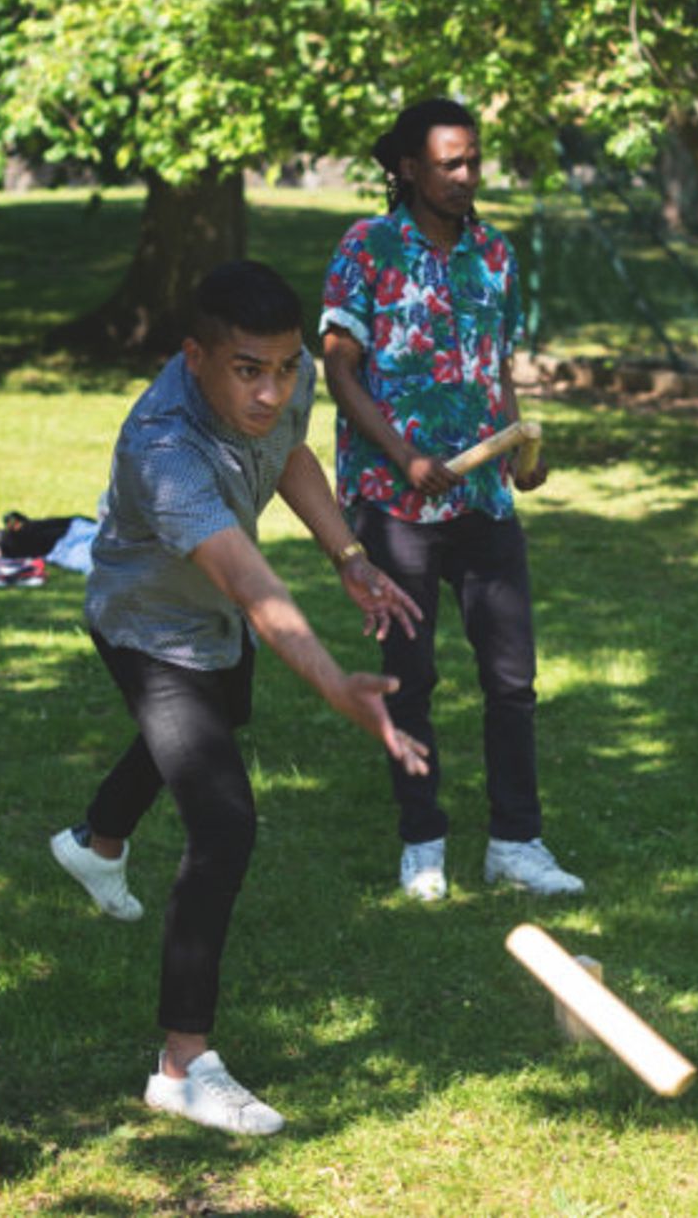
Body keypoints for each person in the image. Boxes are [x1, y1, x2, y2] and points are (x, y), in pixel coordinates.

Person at [47, 260, 427, 1136]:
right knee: (221, 819)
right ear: (196, 356)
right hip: (148, 628)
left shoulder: (278, 382)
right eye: (247, 370)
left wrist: (349, 555)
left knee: (219, 723)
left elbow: (288, 452)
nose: (270, 391)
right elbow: (252, 581)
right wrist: (335, 682)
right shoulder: (163, 450)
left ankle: (95, 841)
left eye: (285, 369)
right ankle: (183, 1065)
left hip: (213, 626)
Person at [318, 97, 584, 902]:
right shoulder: (369, 246)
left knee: (512, 677)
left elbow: (494, 369)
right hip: (391, 505)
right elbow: (339, 367)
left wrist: (518, 449)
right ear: (407, 168)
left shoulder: (495, 255)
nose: (467, 175)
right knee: (411, 675)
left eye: (474, 160)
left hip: (482, 505)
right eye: (450, 163)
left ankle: (516, 840)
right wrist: (404, 454)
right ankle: (421, 840)